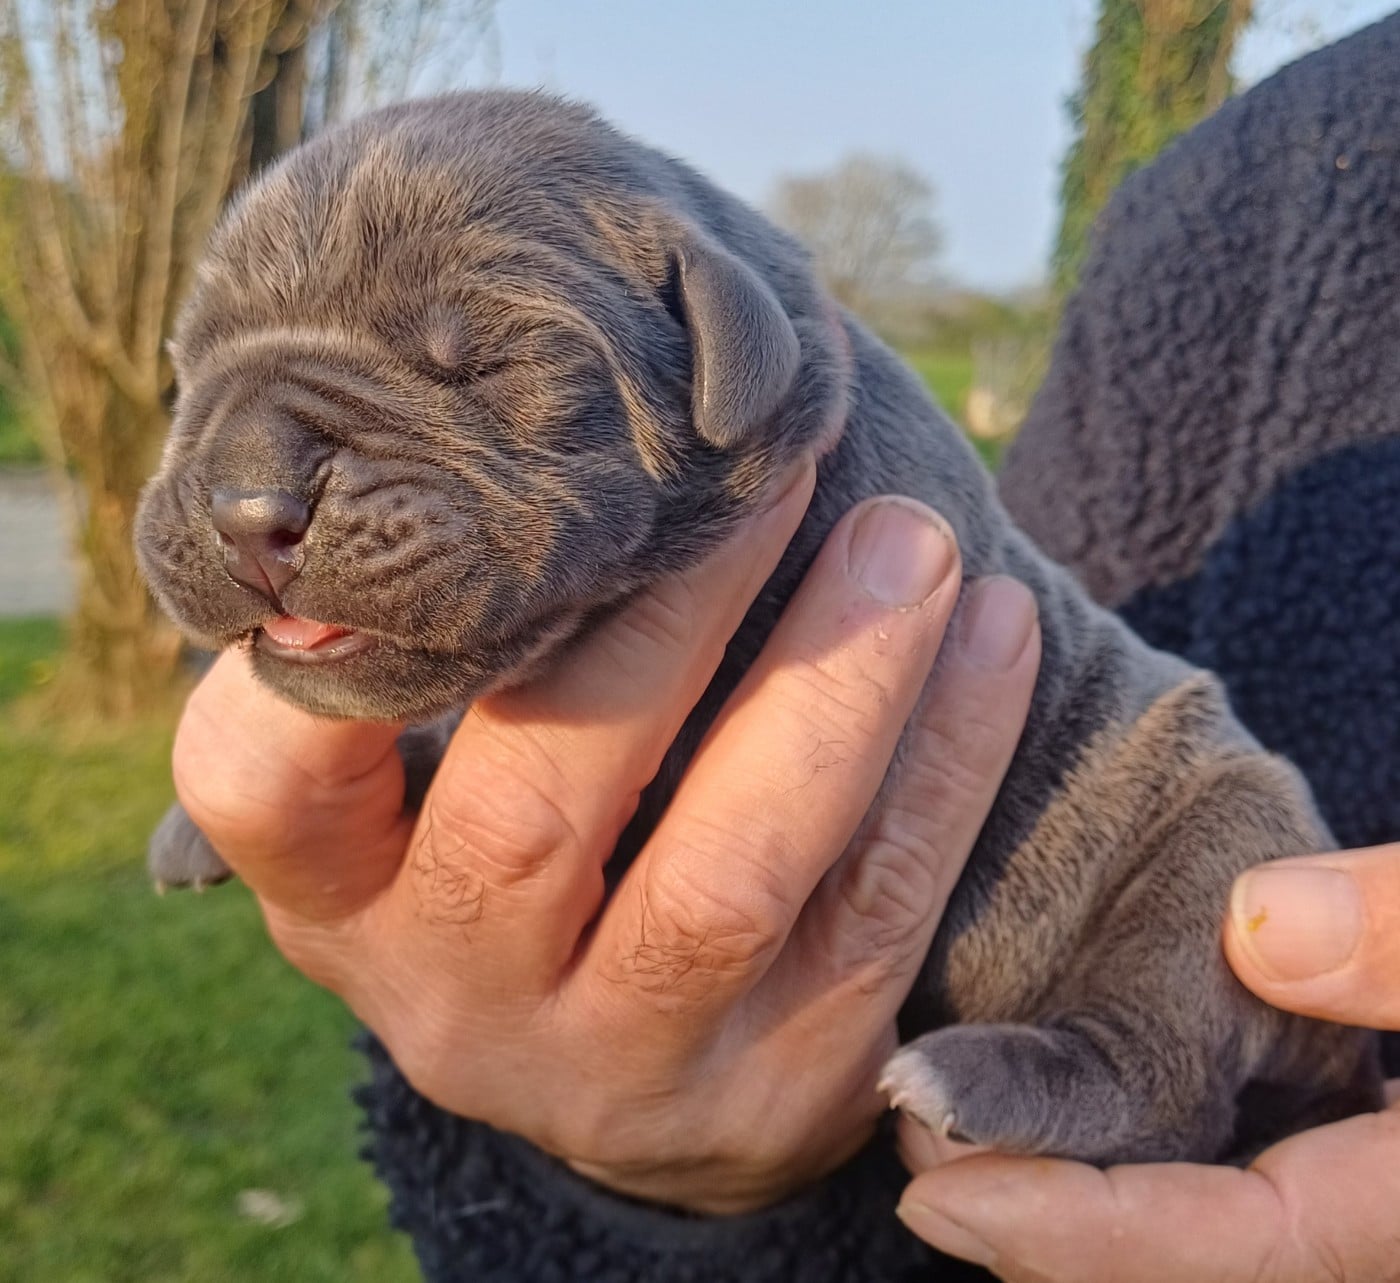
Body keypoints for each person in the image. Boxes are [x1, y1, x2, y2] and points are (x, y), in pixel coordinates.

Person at [171, 11, 1400, 1282]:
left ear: (720, 339)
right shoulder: (1234, 204)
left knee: (1234, 819)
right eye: (204, 369)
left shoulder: (829, 454)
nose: (254, 492)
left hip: (1136, 908)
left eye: (480, 363)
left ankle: (1130, 1067)